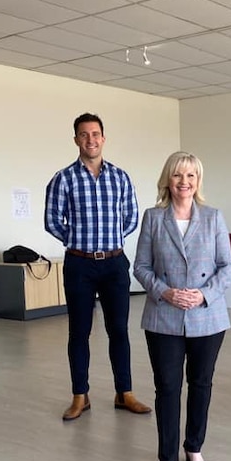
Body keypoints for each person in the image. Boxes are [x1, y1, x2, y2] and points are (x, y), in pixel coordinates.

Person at [133, 152, 231, 461]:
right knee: (167, 388)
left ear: (198, 181)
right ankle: (166, 460)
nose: (184, 182)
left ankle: (194, 447)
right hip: (164, 317)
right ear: (168, 180)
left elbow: (226, 267)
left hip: (207, 316)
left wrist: (203, 295)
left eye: (191, 176)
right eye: (178, 176)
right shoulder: (153, 217)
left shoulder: (213, 217)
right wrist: (165, 292)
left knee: (201, 384)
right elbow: (141, 267)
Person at [45, 112, 151, 420]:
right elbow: (52, 220)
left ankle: (124, 392)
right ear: (76, 139)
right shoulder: (63, 178)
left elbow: (131, 217)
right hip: (79, 265)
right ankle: (80, 396)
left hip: (115, 264)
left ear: (103, 138)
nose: (90, 139)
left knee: (119, 330)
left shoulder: (120, 177)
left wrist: (110, 240)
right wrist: (78, 239)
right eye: (84, 134)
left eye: (95, 134)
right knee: (79, 332)